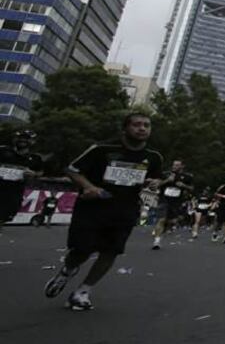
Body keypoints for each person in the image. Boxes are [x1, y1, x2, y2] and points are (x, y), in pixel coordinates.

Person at [43, 113, 163, 310]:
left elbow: (156, 179)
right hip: (94, 207)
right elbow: (72, 169)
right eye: (137, 125)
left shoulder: (154, 157)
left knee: (111, 251)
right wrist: (89, 187)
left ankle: (83, 291)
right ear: (125, 129)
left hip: (125, 208)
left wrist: (155, 183)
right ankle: (68, 269)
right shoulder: (102, 149)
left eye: (147, 125)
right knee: (82, 250)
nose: (142, 129)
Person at [0, 130, 44, 229]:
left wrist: (34, 174)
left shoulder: (36, 158)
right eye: (20, 138)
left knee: (5, 215)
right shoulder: (3, 150)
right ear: (15, 139)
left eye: (26, 139)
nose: (23, 140)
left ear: (32, 141)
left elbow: (40, 172)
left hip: (14, 192)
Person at [151, 160, 194, 250]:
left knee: (172, 221)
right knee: (161, 219)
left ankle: (166, 227)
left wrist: (184, 185)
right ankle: (157, 241)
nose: (174, 166)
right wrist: (167, 180)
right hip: (164, 200)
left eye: (177, 165)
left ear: (182, 166)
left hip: (176, 202)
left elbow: (192, 188)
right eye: (173, 165)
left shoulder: (187, 177)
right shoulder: (165, 174)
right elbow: (156, 185)